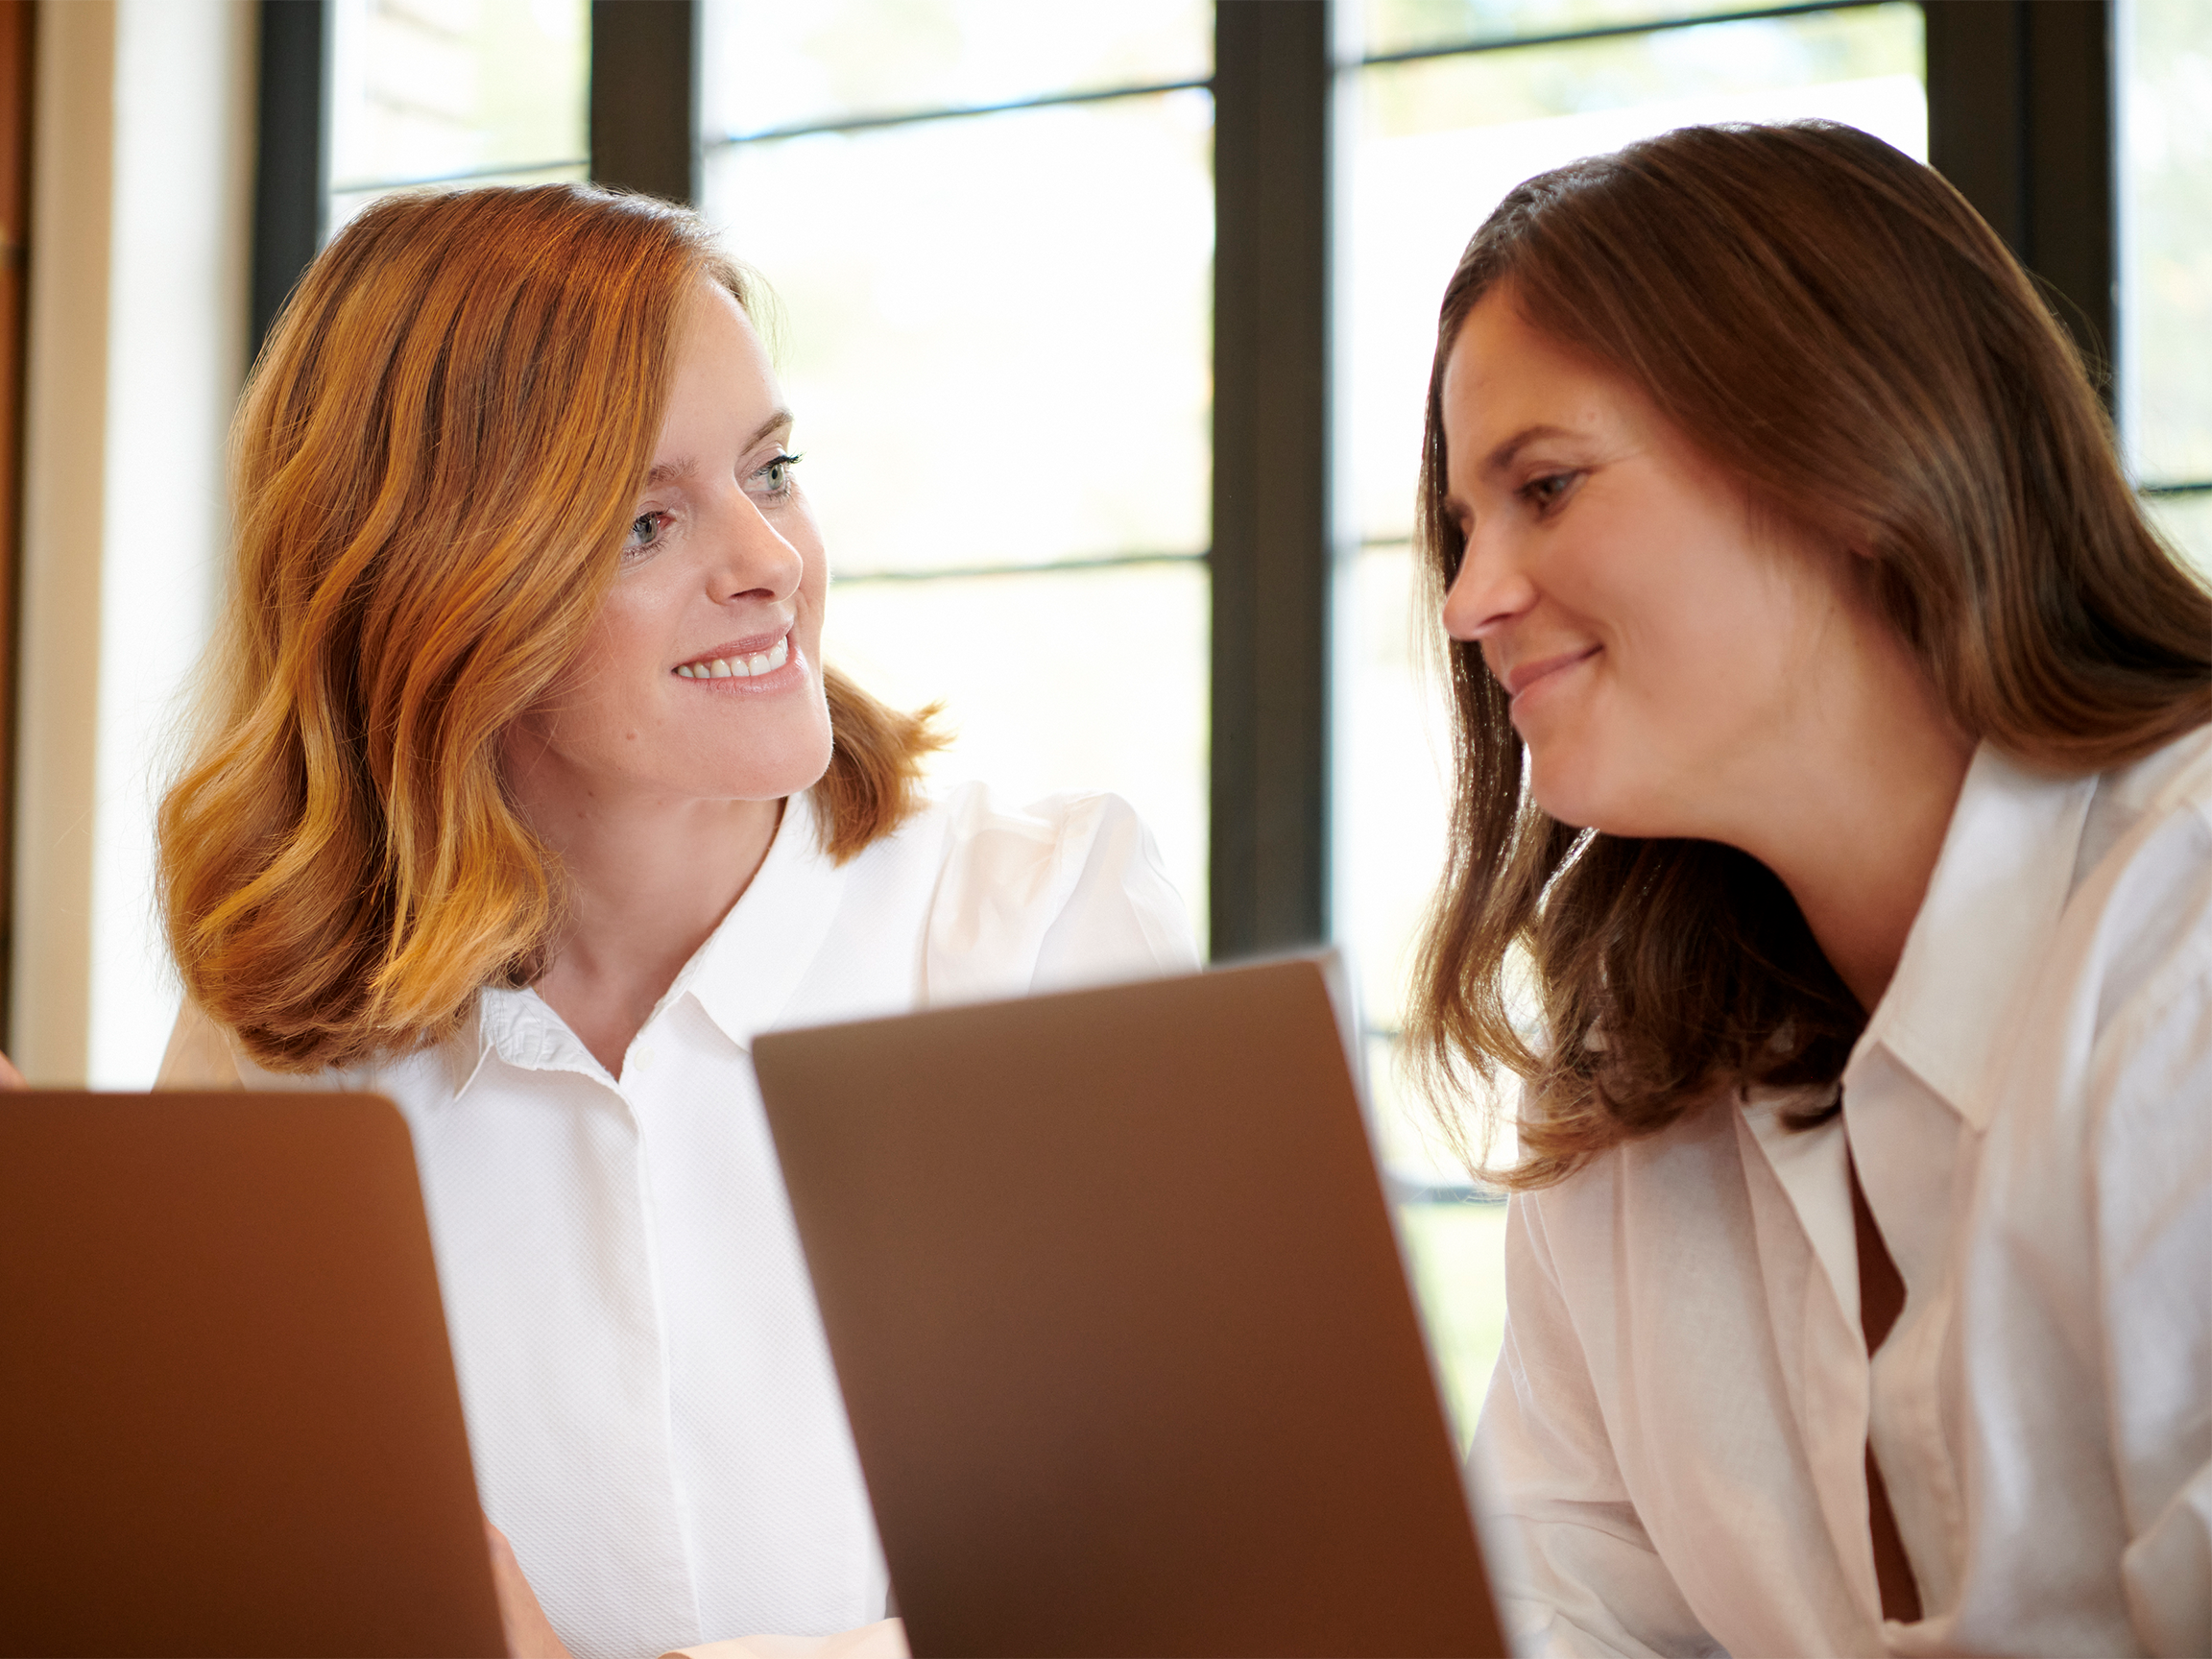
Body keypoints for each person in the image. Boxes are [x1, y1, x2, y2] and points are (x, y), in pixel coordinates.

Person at [154, 183, 1195, 1659]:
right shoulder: (279, 1029)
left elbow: (1172, 1588)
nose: (769, 561)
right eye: (648, 520)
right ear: (436, 601)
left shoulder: (1035, 929)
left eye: (772, 471)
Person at [1405, 120, 2211, 1657]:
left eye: (1549, 487)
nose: (1468, 597)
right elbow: (1550, 1619)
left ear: (1844, 446)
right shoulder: (1632, 1111)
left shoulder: (2184, 930)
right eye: (1460, 526)